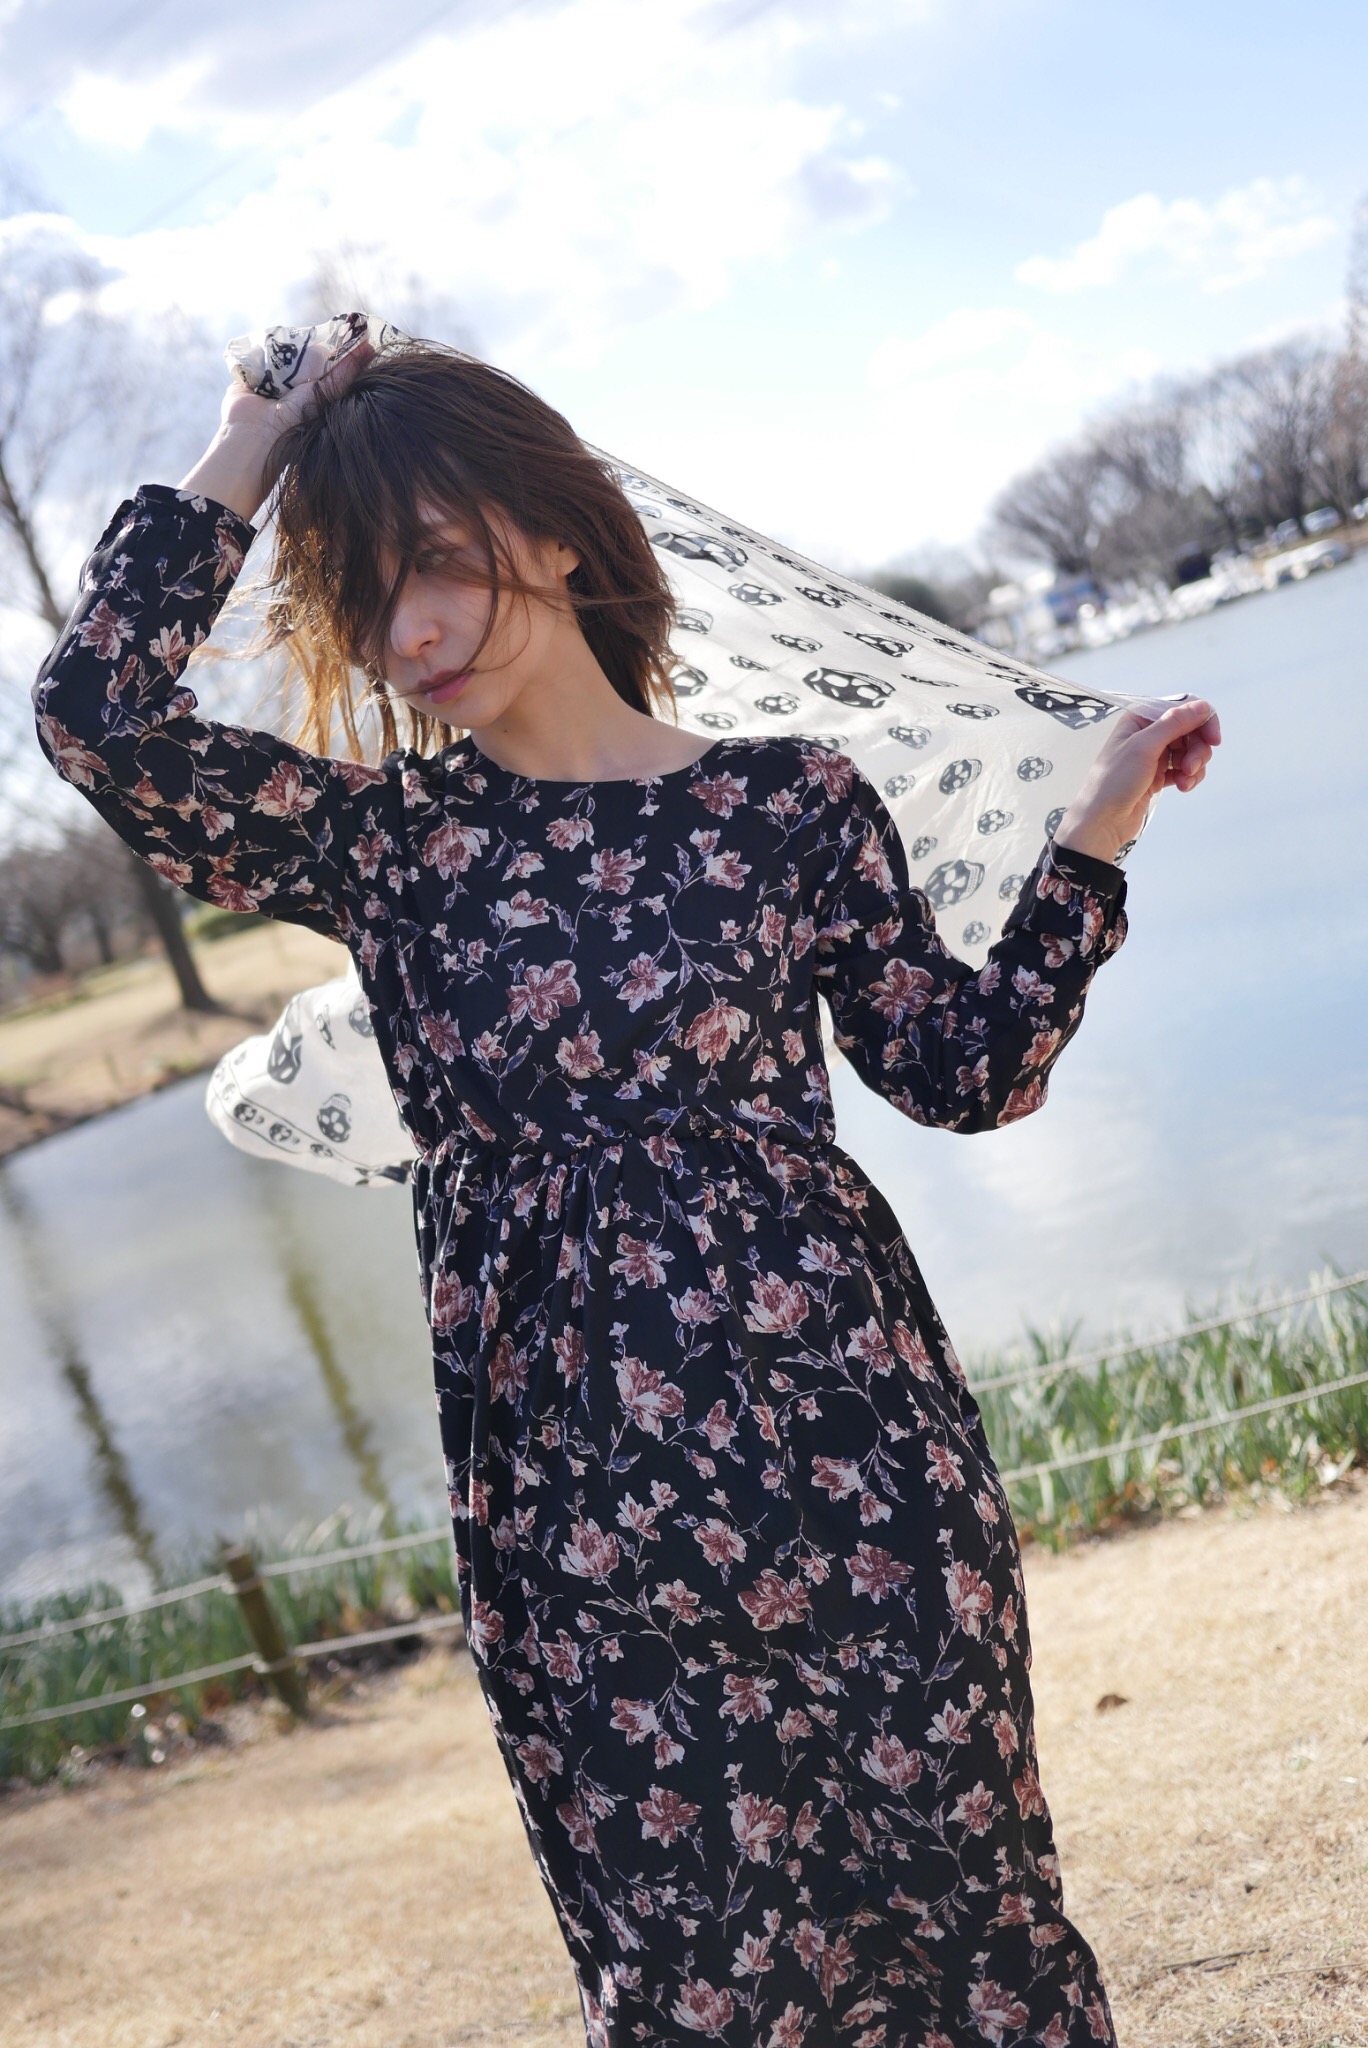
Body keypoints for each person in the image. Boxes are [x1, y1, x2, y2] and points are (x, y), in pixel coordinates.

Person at [34, 329, 1219, 2048]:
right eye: (366, 597)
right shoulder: (391, 850)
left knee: (973, 1935)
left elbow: (965, 1073)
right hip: (574, 1523)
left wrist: (1094, 847)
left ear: (556, 530)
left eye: (442, 562)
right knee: (699, 1988)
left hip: (857, 1464)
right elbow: (97, 718)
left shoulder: (788, 805)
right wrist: (251, 444)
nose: (409, 632)